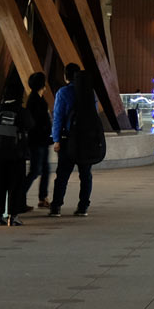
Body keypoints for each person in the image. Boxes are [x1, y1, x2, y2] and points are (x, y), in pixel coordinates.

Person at [50, 64, 104, 217]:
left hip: (69, 139)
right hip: (87, 140)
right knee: (85, 174)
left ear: (66, 76)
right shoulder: (90, 92)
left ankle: (56, 207)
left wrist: (56, 139)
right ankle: (83, 207)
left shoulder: (63, 92)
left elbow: (58, 117)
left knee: (62, 175)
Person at [0, 77, 32, 224]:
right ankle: (14, 216)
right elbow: (30, 127)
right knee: (15, 186)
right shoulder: (21, 112)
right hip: (16, 155)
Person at [26, 72, 54, 208]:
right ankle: (20, 195)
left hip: (41, 141)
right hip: (37, 141)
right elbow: (37, 123)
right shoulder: (35, 101)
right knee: (36, 170)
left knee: (44, 169)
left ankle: (43, 197)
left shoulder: (36, 99)